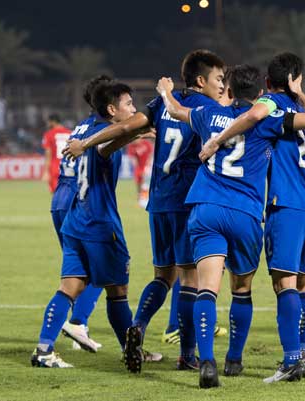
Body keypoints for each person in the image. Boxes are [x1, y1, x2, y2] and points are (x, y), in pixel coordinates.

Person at [157, 62, 305, 387]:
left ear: (230, 91)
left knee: (207, 288)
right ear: (260, 92)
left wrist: (165, 92)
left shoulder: (208, 114)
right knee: (242, 288)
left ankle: (207, 362)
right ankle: (234, 359)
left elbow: (176, 111)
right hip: (245, 213)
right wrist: (298, 94)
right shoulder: (268, 120)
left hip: (206, 207)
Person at [63, 50, 228, 374]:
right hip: (186, 203)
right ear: (200, 80)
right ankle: (187, 354)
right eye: (219, 79)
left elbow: (127, 126)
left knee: (162, 276)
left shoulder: (160, 105)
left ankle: (136, 327)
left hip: (159, 202)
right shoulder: (208, 109)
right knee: (190, 280)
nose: (222, 86)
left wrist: (89, 143)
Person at [32, 81, 155, 368]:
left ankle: (44, 350)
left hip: (75, 221)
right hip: (100, 225)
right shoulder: (100, 136)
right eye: (128, 104)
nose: (133, 109)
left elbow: (118, 137)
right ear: (111, 109)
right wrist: (144, 125)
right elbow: (117, 136)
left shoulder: (84, 131)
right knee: (118, 291)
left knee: (69, 287)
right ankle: (131, 350)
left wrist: (139, 132)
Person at [52, 75, 113, 353]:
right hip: (80, 200)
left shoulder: (80, 126)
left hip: (60, 198)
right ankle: (78, 322)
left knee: (78, 271)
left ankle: (70, 330)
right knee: (99, 269)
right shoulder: (102, 129)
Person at [41, 114, 72, 193]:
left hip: (55, 168)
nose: (47, 124)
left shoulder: (49, 134)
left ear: (53, 122)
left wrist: (46, 171)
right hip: (69, 166)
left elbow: (48, 154)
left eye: (48, 122)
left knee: (57, 194)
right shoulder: (70, 133)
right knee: (68, 193)